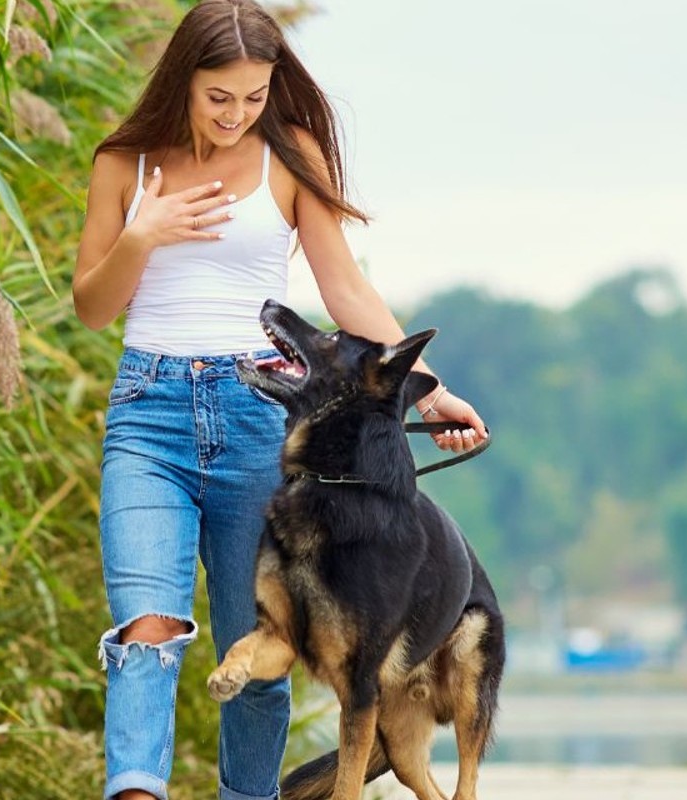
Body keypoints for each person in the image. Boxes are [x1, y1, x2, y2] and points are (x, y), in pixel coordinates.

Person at [72, 2, 488, 798]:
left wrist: (430, 393)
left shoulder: (289, 156)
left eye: (254, 96)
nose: (236, 115)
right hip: (149, 417)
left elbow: (344, 289)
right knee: (144, 634)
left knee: (263, 648)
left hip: (256, 420)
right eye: (218, 97)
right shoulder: (125, 162)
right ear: (183, 80)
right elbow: (93, 306)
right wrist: (142, 235)